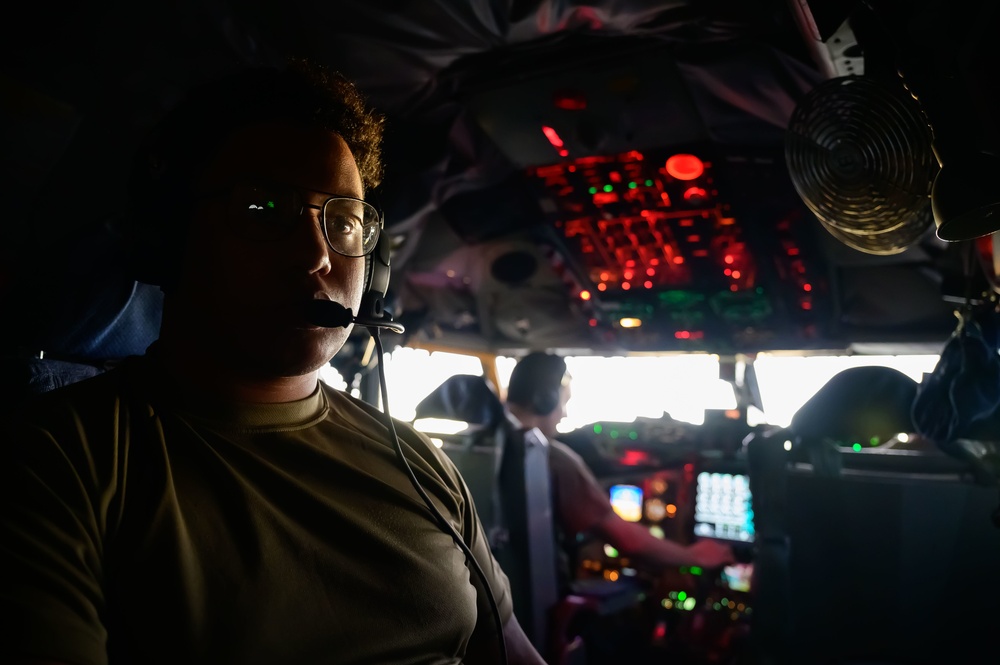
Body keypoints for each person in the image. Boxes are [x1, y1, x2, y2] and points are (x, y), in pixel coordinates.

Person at [0, 60, 546, 665]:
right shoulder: (57, 461)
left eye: (343, 221)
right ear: (168, 240)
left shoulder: (418, 461)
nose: (317, 256)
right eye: (263, 209)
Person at [504, 352, 735, 578]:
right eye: (564, 403)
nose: (563, 414)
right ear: (546, 400)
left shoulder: (479, 446)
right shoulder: (549, 458)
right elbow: (628, 541)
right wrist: (694, 556)